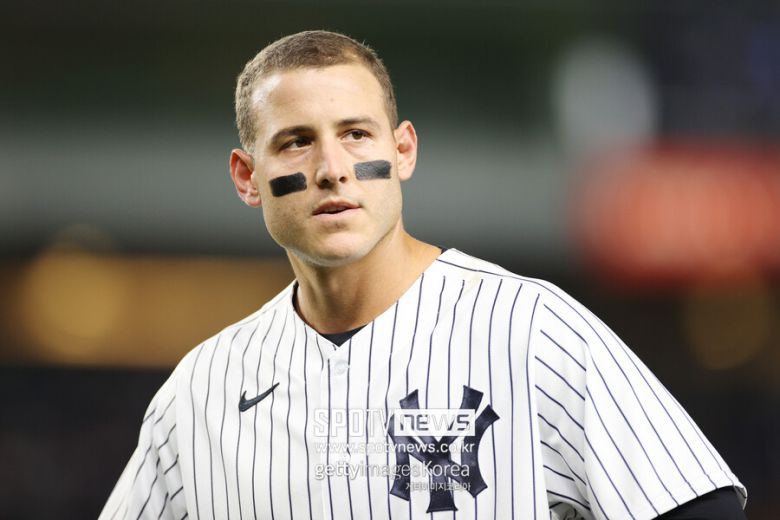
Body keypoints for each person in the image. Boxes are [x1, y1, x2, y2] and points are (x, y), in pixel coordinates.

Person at [99, 30, 747, 520]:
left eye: (356, 134)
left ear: (403, 150)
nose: (332, 168)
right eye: (296, 141)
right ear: (247, 177)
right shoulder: (202, 390)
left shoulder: (531, 329)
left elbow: (697, 506)